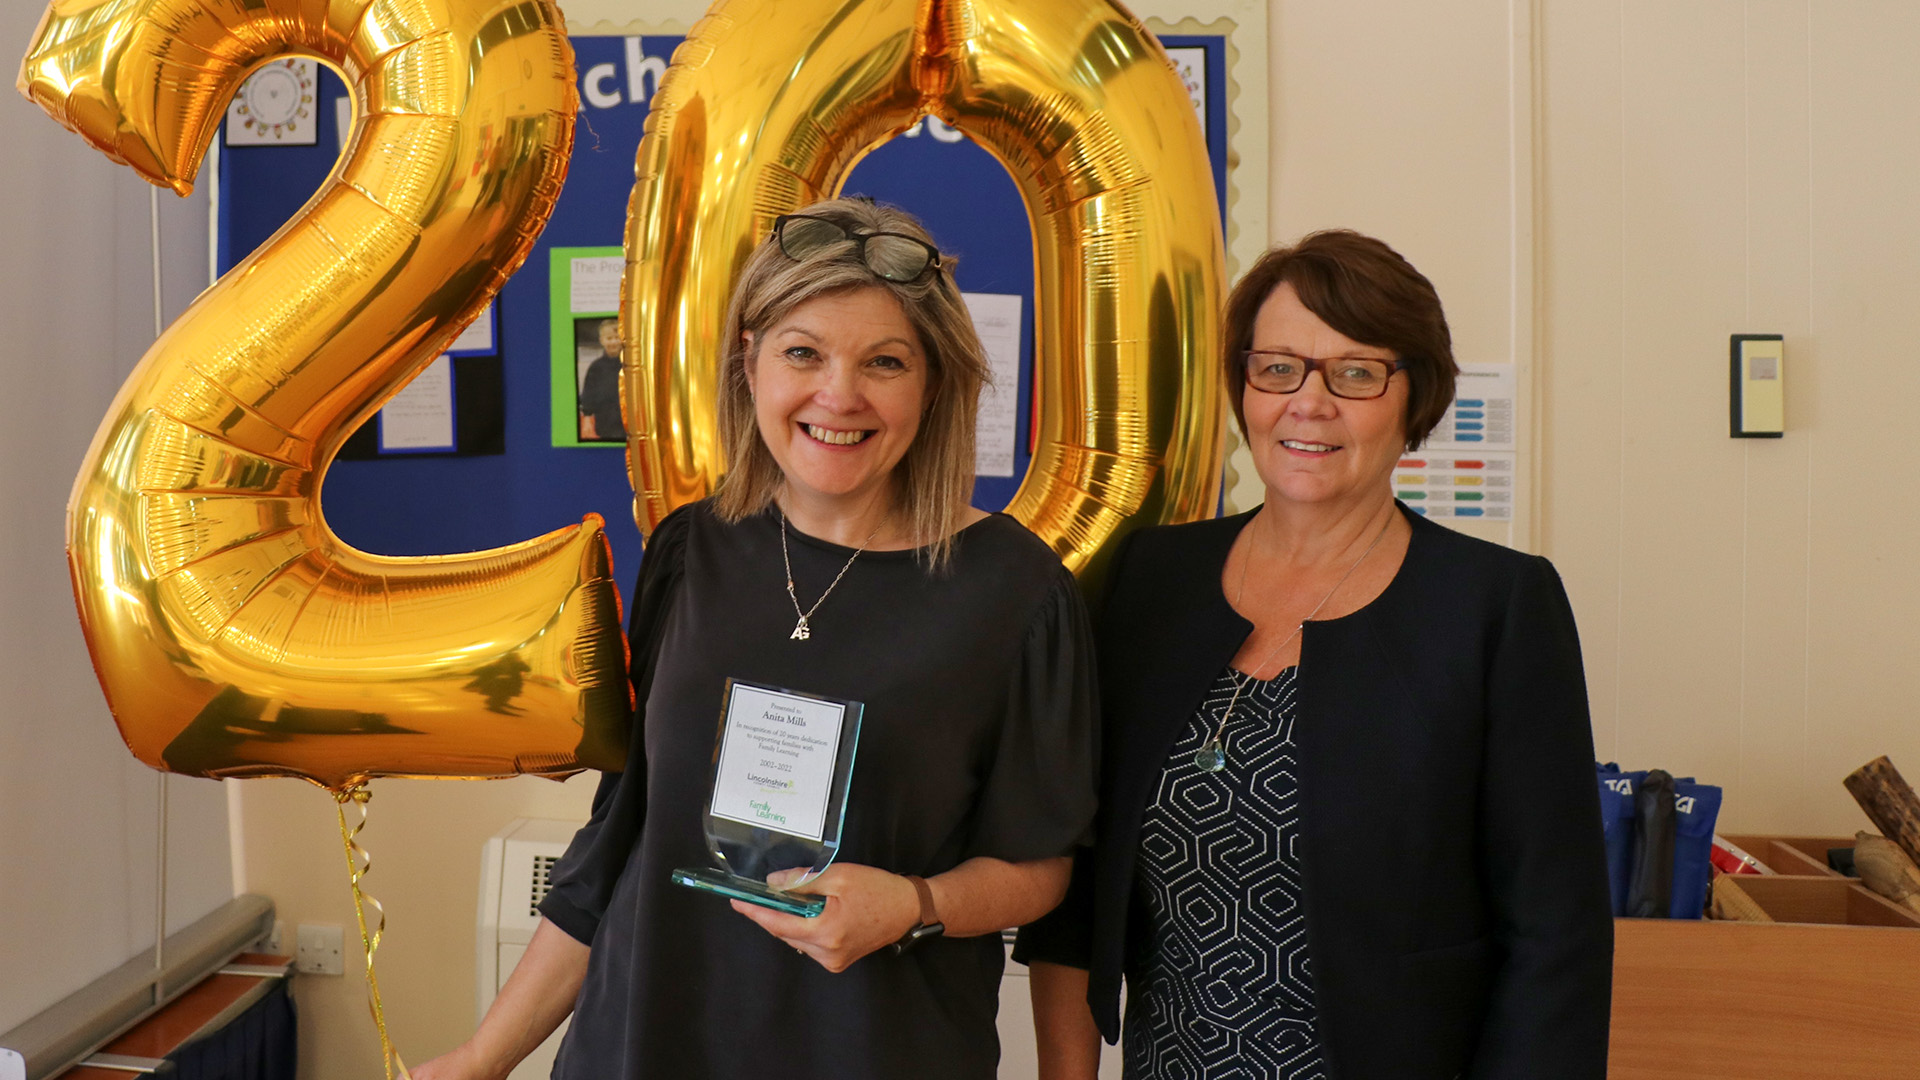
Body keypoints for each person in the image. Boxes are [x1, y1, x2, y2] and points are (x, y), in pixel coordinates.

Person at [414, 198, 1097, 1080]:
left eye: (884, 362)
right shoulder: (691, 550)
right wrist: (481, 1056)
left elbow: (1040, 871)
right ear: (751, 362)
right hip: (642, 1043)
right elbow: (622, 838)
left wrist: (915, 903)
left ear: (936, 382)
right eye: (802, 353)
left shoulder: (1017, 593)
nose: (837, 395)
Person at [1017, 230, 1613, 1079]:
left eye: (1357, 372)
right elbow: (1076, 881)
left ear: (1417, 397)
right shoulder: (1152, 581)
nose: (1310, 401)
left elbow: (1557, 941)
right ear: (1243, 385)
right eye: (1279, 368)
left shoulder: (1494, 606)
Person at [577, 317, 625, 441]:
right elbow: (588, 395)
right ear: (602, 340)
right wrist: (587, 418)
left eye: (617, 337)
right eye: (609, 338)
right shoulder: (596, 368)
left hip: (628, 423)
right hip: (606, 424)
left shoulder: (631, 365)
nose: (613, 342)